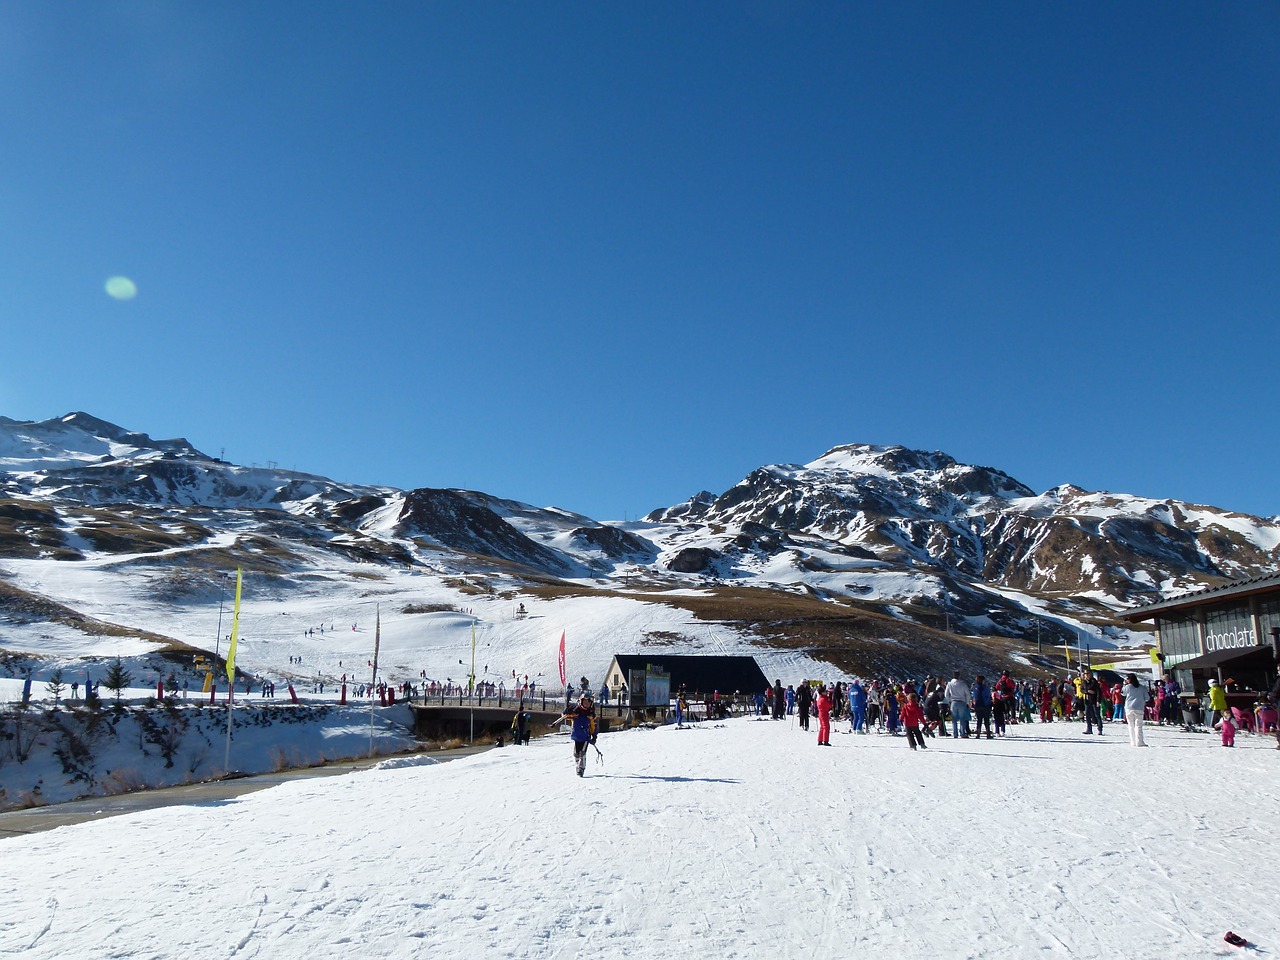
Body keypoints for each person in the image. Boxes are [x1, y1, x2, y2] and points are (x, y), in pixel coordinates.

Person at [561, 695, 597, 777]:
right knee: (576, 753)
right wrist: (568, 712)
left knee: (582, 753)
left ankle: (581, 768)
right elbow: (565, 715)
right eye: (585, 702)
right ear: (581, 702)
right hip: (576, 736)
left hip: (585, 737)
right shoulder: (576, 712)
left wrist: (594, 736)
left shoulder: (590, 715)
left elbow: (594, 726)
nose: (586, 704)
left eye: (588, 703)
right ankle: (578, 766)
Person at [1123, 674, 1149, 747]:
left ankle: (1133, 741)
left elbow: (1123, 694)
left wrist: (1124, 685)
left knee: (1131, 725)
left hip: (1129, 707)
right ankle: (1139, 741)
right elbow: (1147, 698)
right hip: (1139, 707)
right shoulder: (1142, 688)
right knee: (1138, 725)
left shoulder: (1127, 687)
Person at [944, 673, 971, 738]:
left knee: (954, 719)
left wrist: (949, 701)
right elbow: (967, 694)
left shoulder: (950, 684)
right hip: (962, 702)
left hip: (953, 702)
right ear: (959, 676)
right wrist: (967, 702)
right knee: (962, 719)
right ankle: (962, 733)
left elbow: (946, 694)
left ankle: (955, 733)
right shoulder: (963, 684)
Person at [1082, 669, 1104, 735]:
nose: (1086, 675)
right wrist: (1087, 691)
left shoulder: (1094, 682)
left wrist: (1098, 701)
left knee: (1097, 714)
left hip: (1094, 700)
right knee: (1087, 715)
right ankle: (1089, 729)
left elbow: (1098, 692)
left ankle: (1100, 729)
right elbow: (1081, 689)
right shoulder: (1084, 682)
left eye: (1087, 674)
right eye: (1085, 674)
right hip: (1087, 700)